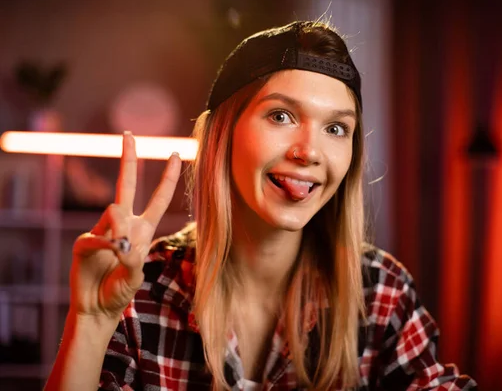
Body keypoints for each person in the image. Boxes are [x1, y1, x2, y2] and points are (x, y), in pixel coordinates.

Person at [45, 20, 477, 390]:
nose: (309, 152)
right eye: (281, 116)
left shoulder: (381, 293)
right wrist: (91, 320)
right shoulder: (141, 290)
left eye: (336, 128)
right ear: (224, 134)